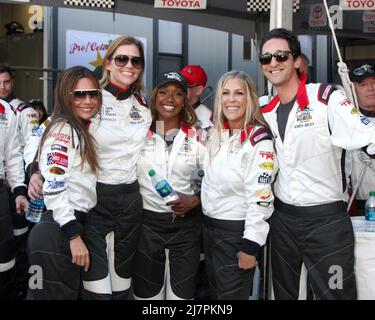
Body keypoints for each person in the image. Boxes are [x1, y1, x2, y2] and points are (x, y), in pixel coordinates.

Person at [28, 36, 152, 300]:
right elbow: (44, 134)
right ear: (108, 62)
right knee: (91, 291)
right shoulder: (91, 98)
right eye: (121, 58)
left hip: (130, 202)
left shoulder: (143, 107)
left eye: (136, 60)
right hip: (94, 203)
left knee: (120, 290)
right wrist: (35, 170)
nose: (129, 65)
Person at [259, 28, 375, 300]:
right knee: (284, 295)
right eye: (266, 58)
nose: (273, 62)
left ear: (297, 60)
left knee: (335, 295)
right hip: (283, 221)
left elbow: (367, 132)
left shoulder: (327, 98)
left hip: (326, 223)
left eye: (280, 55)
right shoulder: (264, 108)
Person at [26, 66, 101, 300]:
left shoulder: (75, 126)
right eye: (79, 94)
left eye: (93, 93)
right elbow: (54, 183)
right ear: (65, 95)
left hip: (61, 229)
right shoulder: (63, 128)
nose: (87, 100)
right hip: (58, 231)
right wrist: (73, 236)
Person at [201, 70, 277, 300]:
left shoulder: (259, 140)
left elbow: (261, 197)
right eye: (225, 93)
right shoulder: (216, 134)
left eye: (238, 93)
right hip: (209, 231)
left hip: (236, 235)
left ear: (250, 98)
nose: (231, 99)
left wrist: (250, 245)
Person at [133, 71, 205, 300]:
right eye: (163, 92)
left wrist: (195, 200)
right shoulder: (136, 134)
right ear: (154, 97)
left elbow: (214, 179)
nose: (170, 99)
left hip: (186, 227)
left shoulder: (199, 136)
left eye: (177, 94)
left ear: (186, 99)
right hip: (147, 226)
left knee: (181, 299)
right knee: (147, 297)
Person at [0, 64, 39, 299]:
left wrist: (20, 190)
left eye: (5, 81)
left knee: (10, 252)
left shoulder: (10, 111)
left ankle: (16, 288)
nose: (2, 87)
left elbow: (15, 156)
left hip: (8, 189)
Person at [0, 97, 28, 299]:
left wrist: (19, 190)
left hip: (1, 190)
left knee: (4, 256)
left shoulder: (4, 109)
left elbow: (12, 154)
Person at [347, 64, 375, 215]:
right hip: (360, 207)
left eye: (374, 82)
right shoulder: (345, 122)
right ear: (352, 89)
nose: (371, 88)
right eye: (363, 84)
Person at [181, 65, 212, 129]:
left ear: (198, 90)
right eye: (178, 83)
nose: (180, 88)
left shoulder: (207, 118)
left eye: (185, 85)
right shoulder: (168, 110)